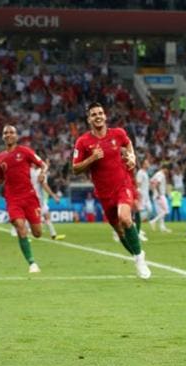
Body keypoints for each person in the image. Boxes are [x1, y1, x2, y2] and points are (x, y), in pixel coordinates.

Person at [72, 102, 150, 279]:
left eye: (100, 113)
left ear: (105, 116)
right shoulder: (83, 142)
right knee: (119, 231)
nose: (98, 116)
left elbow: (128, 144)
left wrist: (131, 158)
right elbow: (75, 168)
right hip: (104, 193)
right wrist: (92, 158)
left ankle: (139, 258)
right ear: (89, 119)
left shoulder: (118, 134)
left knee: (125, 218)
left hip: (123, 185)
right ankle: (137, 254)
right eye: (93, 114)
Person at [0, 125, 45, 273]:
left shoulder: (25, 151)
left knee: (38, 233)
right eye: (5, 133)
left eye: (11, 132)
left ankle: (29, 234)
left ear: (16, 135)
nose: (8, 135)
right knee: (20, 227)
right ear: (3, 137)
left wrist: (42, 173)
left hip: (30, 197)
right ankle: (32, 263)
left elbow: (42, 164)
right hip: (13, 199)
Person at [30, 161, 66, 241]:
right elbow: (44, 185)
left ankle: (53, 235)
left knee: (46, 215)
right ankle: (26, 235)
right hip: (36, 199)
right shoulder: (39, 173)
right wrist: (53, 196)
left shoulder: (30, 171)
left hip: (37, 198)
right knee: (35, 218)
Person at [149, 163, 171, 233]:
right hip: (160, 195)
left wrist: (153, 192)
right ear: (165, 169)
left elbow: (151, 182)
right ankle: (153, 221)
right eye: (167, 170)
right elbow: (157, 184)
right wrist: (158, 193)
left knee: (161, 212)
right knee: (166, 211)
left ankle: (162, 227)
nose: (168, 171)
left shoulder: (156, 174)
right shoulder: (161, 175)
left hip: (156, 195)